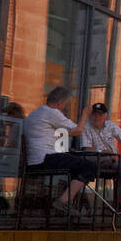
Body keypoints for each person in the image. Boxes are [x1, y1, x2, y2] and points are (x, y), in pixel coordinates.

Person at [22, 86, 98, 214]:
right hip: (46, 159)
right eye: (65, 105)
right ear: (60, 103)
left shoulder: (35, 113)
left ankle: (67, 202)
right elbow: (78, 130)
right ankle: (63, 201)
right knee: (89, 166)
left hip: (33, 161)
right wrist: (85, 114)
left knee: (75, 167)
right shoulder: (52, 113)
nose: (64, 109)